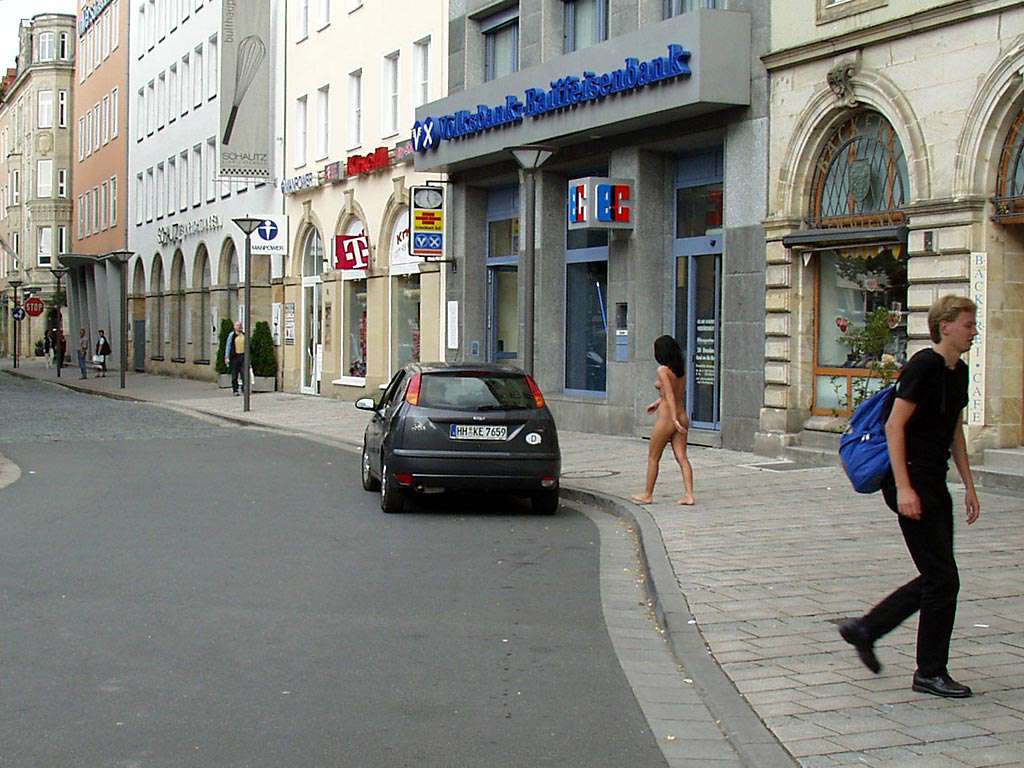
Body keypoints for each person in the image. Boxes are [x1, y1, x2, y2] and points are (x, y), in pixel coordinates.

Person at [839, 295, 981, 699]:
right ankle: (929, 672)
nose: (974, 332)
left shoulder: (958, 372)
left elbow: (954, 431)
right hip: (911, 480)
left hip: (934, 481)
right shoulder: (923, 366)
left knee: (939, 577)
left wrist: (969, 485)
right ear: (945, 326)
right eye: (968, 324)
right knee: (943, 578)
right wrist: (903, 487)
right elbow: (894, 426)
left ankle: (867, 629)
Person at [631, 335, 695, 506]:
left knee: (653, 457)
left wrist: (672, 418)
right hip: (682, 414)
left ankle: (648, 494)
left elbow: (670, 395)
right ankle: (689, 495)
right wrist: (658, 402)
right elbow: (674, 394)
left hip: (667, 418)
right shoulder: (680, 371)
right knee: (682, 457)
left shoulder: (663, 370)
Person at [225, 321, 246, 396]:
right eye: (237, 325)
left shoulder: (244, 335)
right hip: (235, 357)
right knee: (234, 375)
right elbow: (228, 346)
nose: (239, 327)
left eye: (240, 325)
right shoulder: (232, 335)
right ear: (234, 327)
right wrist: (227, 357)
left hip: (243, 356)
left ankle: (244, 389)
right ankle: (235, 390)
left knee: (244, 374)